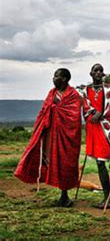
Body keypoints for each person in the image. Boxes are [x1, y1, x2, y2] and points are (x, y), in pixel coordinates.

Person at [15, 69, 82, 207]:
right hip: (50, 134)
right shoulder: (52, 93)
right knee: (50, 160)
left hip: (67, 136)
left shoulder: (73, 95)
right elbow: (43, 111)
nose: (53, 78)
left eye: (56, 76)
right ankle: (60, 194)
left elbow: (74, 117)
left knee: (66, 162)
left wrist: (56, 110)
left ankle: (65, 195)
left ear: (64, 79)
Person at [81, 63, 110, 208]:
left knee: (101, 161)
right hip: (93, 126)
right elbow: (85, 106)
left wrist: (101, 114)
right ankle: (108, 196)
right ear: (91, 73)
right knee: (99, 162)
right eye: (95, 70)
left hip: (106, 127)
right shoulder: (86, 90)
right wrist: (92, 113)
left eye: (100, 71)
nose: (98, 73)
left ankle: (109, 197)